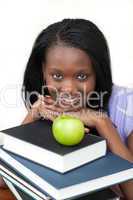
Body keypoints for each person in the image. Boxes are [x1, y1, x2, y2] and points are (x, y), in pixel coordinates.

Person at [0, 18, 133, 200]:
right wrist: (32, 116)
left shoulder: (127, 105)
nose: (69, 89)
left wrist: (101, 122)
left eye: (81, 76)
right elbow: (2, 180)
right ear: (43, 72)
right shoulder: (47, 106)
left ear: (97, 72)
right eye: (56, 75)